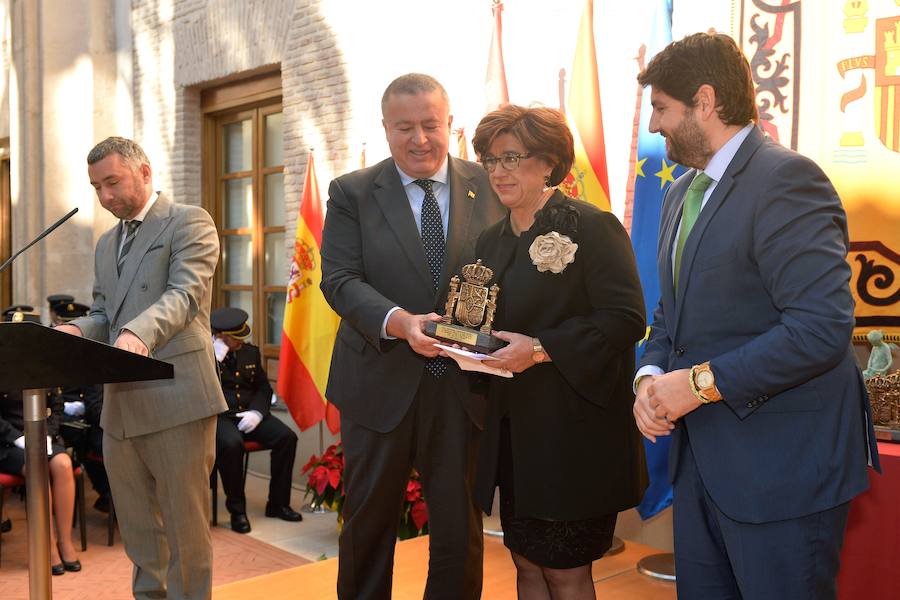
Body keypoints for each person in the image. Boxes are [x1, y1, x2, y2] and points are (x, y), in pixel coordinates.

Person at [631, 33, 880, 599]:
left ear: (705, 101)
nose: (655, 127)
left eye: (662, 109)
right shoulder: (682, 191)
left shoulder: (786, 180)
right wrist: (649, 379)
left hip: (783, 470)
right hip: (703, 469)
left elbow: (819, 329)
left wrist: (694, 385)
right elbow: (673, 311)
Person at [320, 73, 505, 599]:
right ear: (385, 129)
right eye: (406, 127)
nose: (420, 139)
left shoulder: (489, 185)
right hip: (378, 383)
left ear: (451, 124)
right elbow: (338, 280)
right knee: (368, 526)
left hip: (463, 387)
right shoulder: (352, 192)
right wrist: (400, 323)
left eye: (431, 124)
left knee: (457, 530)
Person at [469, 105, 648, 599]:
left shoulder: (591, 227)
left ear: (547, 163)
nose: (497, 171)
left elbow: (627, 317)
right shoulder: (491, 241)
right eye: (489, 160)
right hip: (513, 434)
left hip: (574, 436)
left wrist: (543, 349)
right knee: (526, 562)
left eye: (510, 158)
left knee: (565, 571)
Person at [55, 136, 226, 599]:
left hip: (177, 400)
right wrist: (74, 331)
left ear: (145, 173)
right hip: (121, 410)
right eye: (96, 187)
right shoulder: (106, 243)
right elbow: (104, 313)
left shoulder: (189, 222)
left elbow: (186, 294)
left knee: (185, 534)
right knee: (140, 536)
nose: (105, 195)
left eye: (113, 181)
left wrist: (139, 332)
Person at [1, 314, 81, 575]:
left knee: (63, 463)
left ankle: (65, 542)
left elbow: (56, 406)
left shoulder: (41, 364)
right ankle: (44, 546)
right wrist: (17, 437)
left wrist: (48, 434)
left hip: (41, 437)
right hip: (8, 442)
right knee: (37, 469)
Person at [210, 307, 301, 534]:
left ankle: (278, 504)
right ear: (221, 336)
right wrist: (213, 361)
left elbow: (262, 387)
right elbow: (199, 392)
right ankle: (237, 511)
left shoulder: (250, 352)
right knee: (231, 445)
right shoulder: (205, 357)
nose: (241, 342)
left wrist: (257, 413)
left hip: (249, 414)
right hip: (221, 416)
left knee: (286, 438)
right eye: (235, 339)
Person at [53, 300, 112, 513]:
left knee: (92, 440)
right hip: (59, 417)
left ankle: (108, 493)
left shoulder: (90, 353)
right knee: (84, 439)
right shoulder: (50, 351)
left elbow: (95, 398)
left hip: (88, 415)